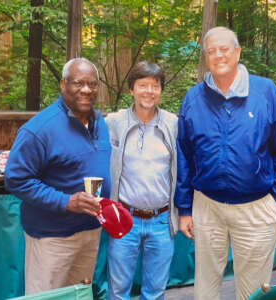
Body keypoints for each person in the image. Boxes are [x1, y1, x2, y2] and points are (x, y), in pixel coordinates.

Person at [175, 27, 276, 300]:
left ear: (238, 52)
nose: (218, 55)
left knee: (253, 293)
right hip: (207, 206)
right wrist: (185, 208)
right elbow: (184, 155)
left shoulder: (265, 92)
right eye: (211, 51)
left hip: (257, 207)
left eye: (224, 49)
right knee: (205, 290)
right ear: (205, 57)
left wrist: (274, 199)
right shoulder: (193, 98)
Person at [4, 58, 111, 294]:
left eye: (92, 84)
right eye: (78, 83)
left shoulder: (99, 122)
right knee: (48, 296)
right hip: (53, 238)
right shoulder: (39, 129)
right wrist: (66, 201)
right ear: (63, 84)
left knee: (79, 295)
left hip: (91, 230)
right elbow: (16, 179)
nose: (86, 89)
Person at [105, 61, 178, 300]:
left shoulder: (173, 124)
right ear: (131, 89)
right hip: (125, 218)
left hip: (161, 220)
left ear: (161, 90)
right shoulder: (113, 123)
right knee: (118, 291)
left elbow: (183, 167)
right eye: (142, 85)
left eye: (155, 85)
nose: (149, 91)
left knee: (155, 292)